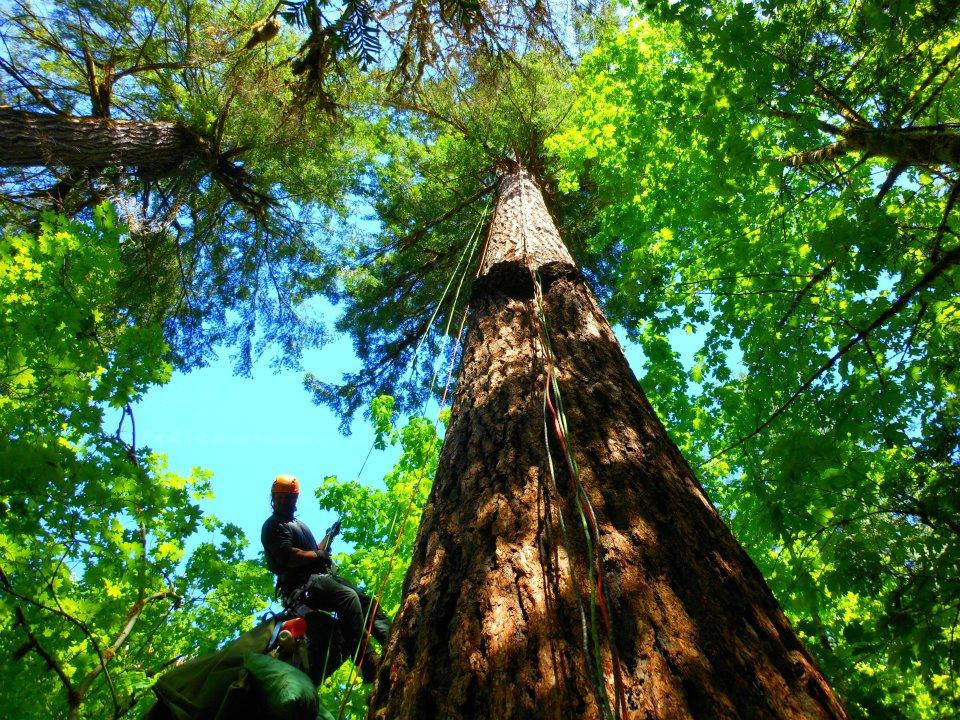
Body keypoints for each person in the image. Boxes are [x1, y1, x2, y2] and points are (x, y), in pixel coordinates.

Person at [261, 474, 391, 683]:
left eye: (290, 497)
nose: (285, 501)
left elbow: (315, 551)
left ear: (296, 499)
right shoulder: (274, 526)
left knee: (366, 602)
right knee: (347, 598)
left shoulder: (297, 524)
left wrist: (329, 536)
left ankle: (393, 640)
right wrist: (317, 554)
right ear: (273, 499)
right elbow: (288, 556)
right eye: (281, 497)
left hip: (320, 577)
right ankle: (367, 661)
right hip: (302, 584)